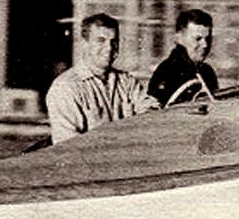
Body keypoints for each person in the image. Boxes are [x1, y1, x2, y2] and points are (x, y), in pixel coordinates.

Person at [45, 13, 156, 143]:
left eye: (114, 42)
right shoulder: (65, 88)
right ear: (84, 44)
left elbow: (151, 118)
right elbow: (67, 145)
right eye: (101, 41)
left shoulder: (128, 82)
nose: (109, 48)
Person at [148, 8, 220, 106]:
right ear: (179, 39)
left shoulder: (207, 72)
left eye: (208, 39)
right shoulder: (167, 72)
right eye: (198, 39)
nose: (205, 45)